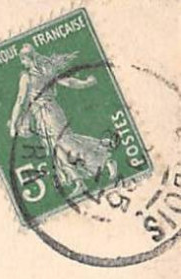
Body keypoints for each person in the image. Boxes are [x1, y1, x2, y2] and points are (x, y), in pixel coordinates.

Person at [8, 45, 117, 198]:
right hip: (45, 115)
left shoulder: (27, 77)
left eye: (23, 60)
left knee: (67, 142)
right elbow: (68, 81)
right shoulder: (46, 69)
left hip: (48, 113)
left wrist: (13, 124)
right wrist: (86, 83)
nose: (23, 63)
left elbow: (20, 101)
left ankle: (105, 160)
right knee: (57, 150)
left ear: (26, 59)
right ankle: (78, 182)